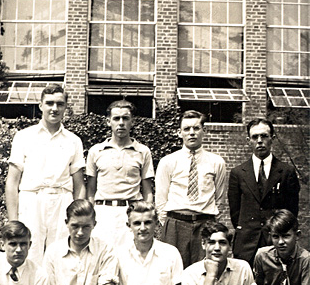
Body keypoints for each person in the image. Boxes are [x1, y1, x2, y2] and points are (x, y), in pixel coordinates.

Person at [5, 84, 85, 265]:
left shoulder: (74, 140)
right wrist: (13, 221)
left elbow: (79, 184)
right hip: (32, 200)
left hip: (62, 201)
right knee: (30, 255)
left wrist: (78, 217)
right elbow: (12, 182)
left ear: (66, 107)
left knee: (61, 255)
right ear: (41, 105)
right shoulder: (24, 136)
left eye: (60, 104)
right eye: (49, 103)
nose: (54, 108)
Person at [155, 110, 226, 268]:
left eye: (196, 128)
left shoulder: (216, 162)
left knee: (204, 270)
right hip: (176, 224)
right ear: (180, 133)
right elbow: (160, 199)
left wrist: (208, 222)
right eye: (186, 129)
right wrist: (170, 224)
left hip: (204, 223)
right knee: (172, 271)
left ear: (204, 131)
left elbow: (220, 199)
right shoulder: (168, 161)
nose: (192, 133)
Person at [228, 118, 300, 266]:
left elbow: (292, 210)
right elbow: (235, 212)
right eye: (255, 137)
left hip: (276, 241)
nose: (259, 141)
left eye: (264, 136)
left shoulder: (286, 171)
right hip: (246, 243)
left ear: (272, 138)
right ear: (249, 140)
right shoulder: (238, 173)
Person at [86, 100, 154, 246]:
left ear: (132, 122)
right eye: (116, 118)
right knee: (102, 255)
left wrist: (146, 216)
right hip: (103, 211)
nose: (121, 123)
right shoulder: (96, 151)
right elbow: (90, 190)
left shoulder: (143, 151)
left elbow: (148, 190)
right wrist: (91, 217)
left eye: (125, 118)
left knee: (130, 257)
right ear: (108, 122)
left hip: (131, 211)